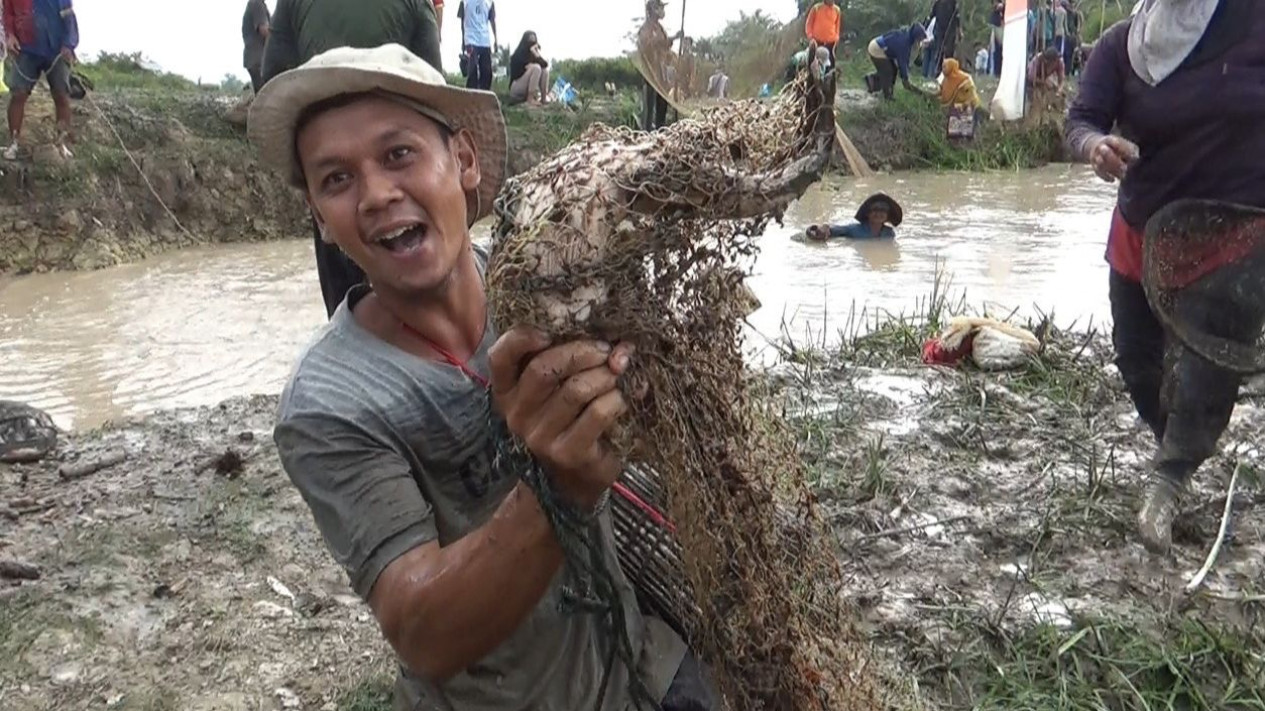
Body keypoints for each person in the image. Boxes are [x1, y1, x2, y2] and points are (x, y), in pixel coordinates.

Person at [249, 41, 719, 711]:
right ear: (321, 221)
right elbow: (422, 631)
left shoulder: (547, 280)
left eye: (398, 154)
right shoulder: (330, 402)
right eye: (336, 179)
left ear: (464, 161)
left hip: (642, 658)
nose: (377, 193)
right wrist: (557, 485)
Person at [1065, 0, 1265, 554]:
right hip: (1148, 228)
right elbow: (1081, 119)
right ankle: (1172, 440)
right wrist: (1094, 147)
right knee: (1134, 355)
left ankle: (1170, 479)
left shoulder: (1252, 21)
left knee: (1211, 360)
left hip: (1240, 233)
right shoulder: (1125, 45)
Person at [261, 0, 442, 319]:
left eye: (398, 155)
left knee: (346, 310)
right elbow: (434, 86)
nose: (378, 196)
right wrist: (400, 150)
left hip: (327, 157)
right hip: (407, 141)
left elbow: (271, 72)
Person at [3, 0, 79, 161]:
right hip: (26, 49)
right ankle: (14, 143)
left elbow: (69, 17)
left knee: (61, 95)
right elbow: (8, 14)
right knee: (18, 94)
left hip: (56, 49)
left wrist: (69, 44)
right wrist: (10, 36)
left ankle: (61, 144)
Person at [639, 0, 679, 131]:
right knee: (649, 110)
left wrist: (674, 38)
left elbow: (665, 45)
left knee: (662, 107)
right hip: (651, 74)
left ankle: (660, 134)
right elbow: (648, 46)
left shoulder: (659, 28)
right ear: (653, 9)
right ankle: (647, 136)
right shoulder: (646, 28)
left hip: (662, 75)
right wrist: (667, 40)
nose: (662, 11)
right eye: (660, 7)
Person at [866, 23, 928, 100]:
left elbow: (913, 56)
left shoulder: (909, 39)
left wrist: (920, 62)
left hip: (884, 49)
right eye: (920, 38)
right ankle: (887, 96)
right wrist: (905, 78)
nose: (921, 40)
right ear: (916, 36)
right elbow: (902, 63)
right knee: (888, 72)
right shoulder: (904, 43)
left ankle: (873, 82)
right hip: (876, 49)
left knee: (893, 70)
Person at [805, 193, 902, 241]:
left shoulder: (889, 233)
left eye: (883, 210)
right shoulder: (854, 229)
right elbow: (832, 230)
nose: (878, 213)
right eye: (874, 210)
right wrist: (822, 229)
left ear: (887, 215)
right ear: (867, 213)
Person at [457, 0, 496, 91]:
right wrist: (463, 41)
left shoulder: (489, 2)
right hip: (471, 38)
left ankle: (484, 92)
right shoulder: (464, 2)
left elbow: (492, 20)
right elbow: (462, 22)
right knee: (473, 69)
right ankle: (470, 94)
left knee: (487, 71)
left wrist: (495, 39)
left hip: (484, 39)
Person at [507, 31, 549, 105]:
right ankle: (530, 99)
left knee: (544, 70)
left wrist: (535, 52)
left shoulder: (533, 55)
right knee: (536, 68)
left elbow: (545, 65)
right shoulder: (518, 55)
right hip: (516, 88)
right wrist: (528, 68)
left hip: (525, 87)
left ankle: (543, 98)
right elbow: (517, 72)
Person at [241, 0, 271, 94]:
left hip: (255, 59)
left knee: (262, 95)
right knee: (266, 95)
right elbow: (264, 30)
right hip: (258, 60)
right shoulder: (257, 3)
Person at [803, 0, 842, 70]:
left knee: (830, 67)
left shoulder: (837, 10)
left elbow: (837, 27)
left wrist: (836, 39)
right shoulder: (816, 8)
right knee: (812, 65)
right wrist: (811, 38)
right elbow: (808, 25)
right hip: (816, 42)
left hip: (831, 44)